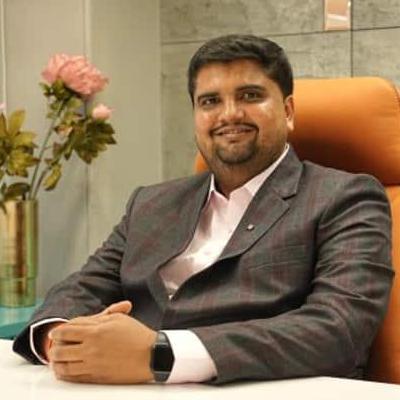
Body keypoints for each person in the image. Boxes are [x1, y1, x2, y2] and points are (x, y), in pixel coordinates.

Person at [13, 34, 393, 385]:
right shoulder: (151, 202)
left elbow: (339, 328)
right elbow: (83, 286)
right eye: (210, 101)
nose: (229, 114)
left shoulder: (345, 197)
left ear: (289, 111)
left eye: (250, 95)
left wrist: (160, 353)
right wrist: (61, 340)